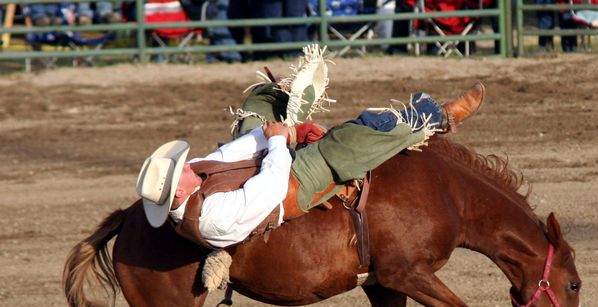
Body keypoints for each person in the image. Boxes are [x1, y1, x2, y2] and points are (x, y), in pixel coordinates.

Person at [136, 46, 485, 249]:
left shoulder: (193, 176)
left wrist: (283, 130)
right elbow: (269, 188)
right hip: (288, 188)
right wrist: (278, 142)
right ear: (178, 193)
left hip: (260, 164)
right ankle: (434, 117)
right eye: (179, 169)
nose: (186, 164)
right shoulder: (212, 217)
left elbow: (227, 155)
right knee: (352, 139)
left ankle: (291, 108)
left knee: (261, 99)